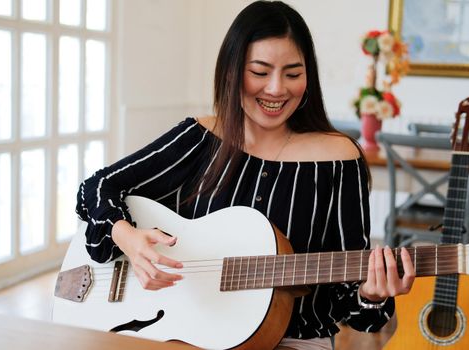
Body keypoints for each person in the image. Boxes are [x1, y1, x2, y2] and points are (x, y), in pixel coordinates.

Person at [76, 1, 415, 349]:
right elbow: (98, 187)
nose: (276, 89)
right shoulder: (199, 138)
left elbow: (353, 306)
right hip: (187, 332)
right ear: (231, 71)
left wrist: (372, 292)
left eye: (293, 74)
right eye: (260, 71)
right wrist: (128, 238)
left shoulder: (339, 159)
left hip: (293, 341)